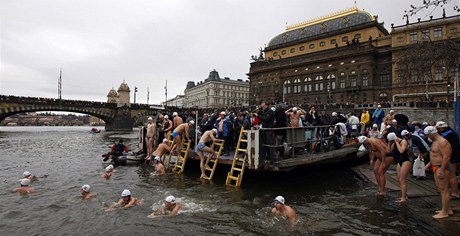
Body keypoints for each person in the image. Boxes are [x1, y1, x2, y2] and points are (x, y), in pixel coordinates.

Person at [424, 126, 453, 219]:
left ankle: (444, 212)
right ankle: (447, 209)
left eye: (428, 135)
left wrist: (442, 169)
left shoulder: (443, 142)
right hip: (436, 167)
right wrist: (429, 164)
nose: (428, 137)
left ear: (431, 134)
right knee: (441, 189)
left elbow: (446, 157)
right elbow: (434, 154)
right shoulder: (435, 142)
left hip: (441, 167)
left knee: (444, 190)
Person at [436, 121, 460, 199]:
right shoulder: (451, 131)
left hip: (453, 155)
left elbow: (438, 138)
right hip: (454, 154)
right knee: (451, 175)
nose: (438, 130)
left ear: (442, 128)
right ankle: (453, 191)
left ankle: (455, 192)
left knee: (452, 174)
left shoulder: (448, 133)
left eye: (438, 129)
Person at [389, 132, 411, 203]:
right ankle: (404, 196)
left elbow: (401, 151)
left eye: (392, 141)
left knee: (402, 180)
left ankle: (404, 198)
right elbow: (388, 151)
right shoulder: (393, 143)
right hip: (399, 162)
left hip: (406, 161)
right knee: (399, 179)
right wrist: (390, 143)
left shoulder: (403, 141)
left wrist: (397, 142)